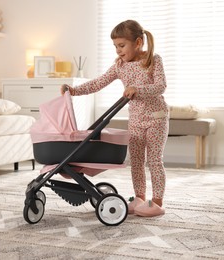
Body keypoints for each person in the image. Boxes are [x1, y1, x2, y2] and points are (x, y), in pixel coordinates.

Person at [60, 20, 169, 217]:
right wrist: (74, 90)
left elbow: (160, 86)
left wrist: (138, 89)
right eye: (115, 46)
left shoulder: (153, 60)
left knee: (154, 160)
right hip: (136, 119)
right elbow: (98, 83)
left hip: (156, 118)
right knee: (136, 161)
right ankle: (140, 198)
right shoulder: (119, 65)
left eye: (122, 45)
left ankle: (157, 202)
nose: (118, 50)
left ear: (137, 43)